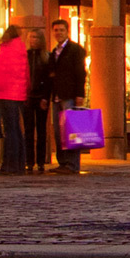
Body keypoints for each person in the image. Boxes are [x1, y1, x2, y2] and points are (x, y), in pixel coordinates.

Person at [48, 18, 89, 175]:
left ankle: (72, 163)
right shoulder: (54, 52)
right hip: (57, 97)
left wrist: (80, 94)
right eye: (56, 30)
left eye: (61, 30)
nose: (58, 33)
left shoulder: (75, 50)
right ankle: (63, 162)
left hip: (69, 95)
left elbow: (80, 73)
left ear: (67, 32)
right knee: (58, 131)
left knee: (71, 131)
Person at [0, 24, 31, 174]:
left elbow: (1, 74)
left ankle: (10, 165)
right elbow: (25, 74)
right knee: (16, 130)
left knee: (10, 130)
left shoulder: (7, 50)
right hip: (17, 94)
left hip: (6, 94)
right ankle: (18, 164)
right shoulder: (20, 50)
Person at [25, 24, 53, 173]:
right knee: (29, 130)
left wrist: (45, 97)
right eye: (31, 37)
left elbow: (49, 81)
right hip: (28, 97)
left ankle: (41, 161)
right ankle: (29, 161)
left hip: (41, 97)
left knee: (41, 130)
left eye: (36, 37)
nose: (33, 40)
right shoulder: (26, 55)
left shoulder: (46, 57)